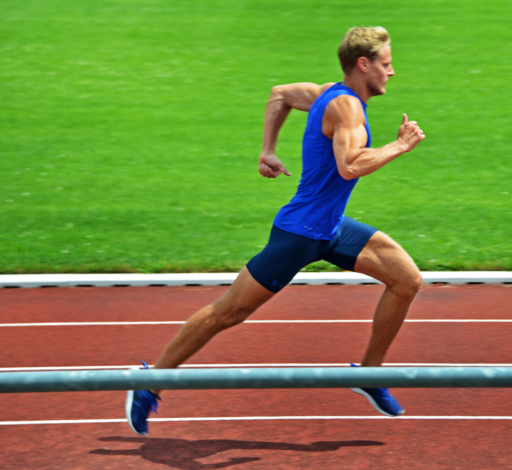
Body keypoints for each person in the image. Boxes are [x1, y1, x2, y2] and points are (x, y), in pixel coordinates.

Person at [126, 26, 425, 436]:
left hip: (331, 227)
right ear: (363, 64)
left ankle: (370, 374)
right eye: (386, 64)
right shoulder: (347, 108)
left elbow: (280, 94)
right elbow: (349, 166)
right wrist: (399, 145)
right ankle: (150, 381)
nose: (391, 72)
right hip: (300, 234)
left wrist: (268, 150)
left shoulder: (325, 93)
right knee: (230, 312)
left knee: (407, 280)